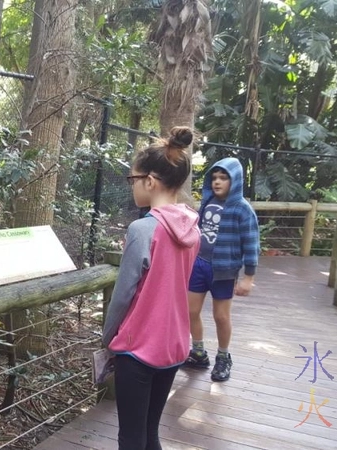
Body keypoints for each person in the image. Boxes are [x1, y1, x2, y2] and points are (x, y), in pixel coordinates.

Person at [102, 127, 201, 450]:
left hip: (139, 346)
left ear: (150, 181)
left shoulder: (143, 229)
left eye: (133, 180)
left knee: (130, 436)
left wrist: (107, 339)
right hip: (174, 343)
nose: (132, 187)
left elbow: (124, 294)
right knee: (150, 432)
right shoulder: (192, 228)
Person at [184, 157, 260, 382]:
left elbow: (251, 242)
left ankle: (223, 357)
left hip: (224, 270)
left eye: (223, 178)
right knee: (190, 311)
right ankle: (198, 352)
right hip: (199, 266)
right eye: (214, 177)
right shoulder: (207, 201)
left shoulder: (242, 209)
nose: (217, 182)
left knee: (221, 316)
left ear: (234, 180)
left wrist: (248, 277)